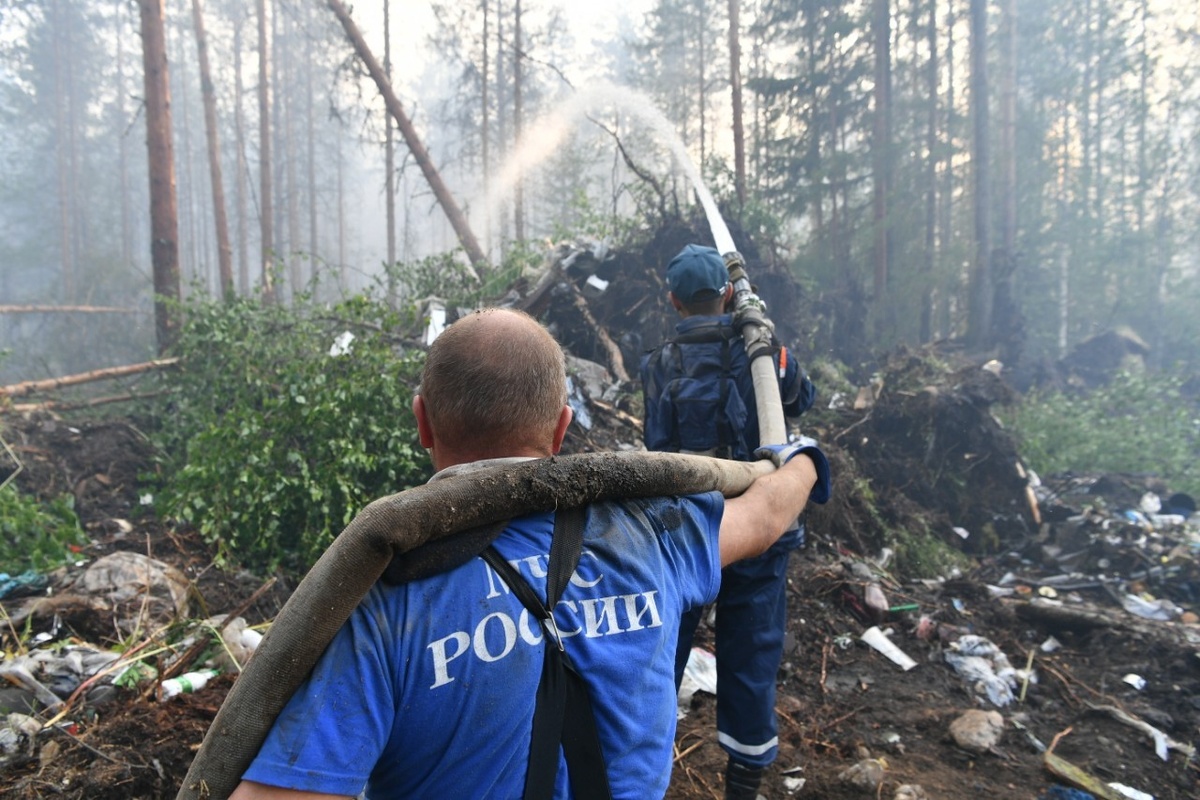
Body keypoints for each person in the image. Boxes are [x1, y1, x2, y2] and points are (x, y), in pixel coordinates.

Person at [229, 307, 828, 800]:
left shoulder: (380, 598)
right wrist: (802, 458)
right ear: (562, 427)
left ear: (422, 423)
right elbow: (766, 516)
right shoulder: (653, 533)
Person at [639, 244, 817, 800]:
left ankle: (641, 773)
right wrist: (765, 341)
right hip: (761, 530)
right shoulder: (762, 354)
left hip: (685, 532)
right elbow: (802, 399)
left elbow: (656, 447)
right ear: (727, 294)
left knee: (664, 651)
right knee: (751, 655)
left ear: (673, 301)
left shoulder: (658, 364)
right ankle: (742, 786)